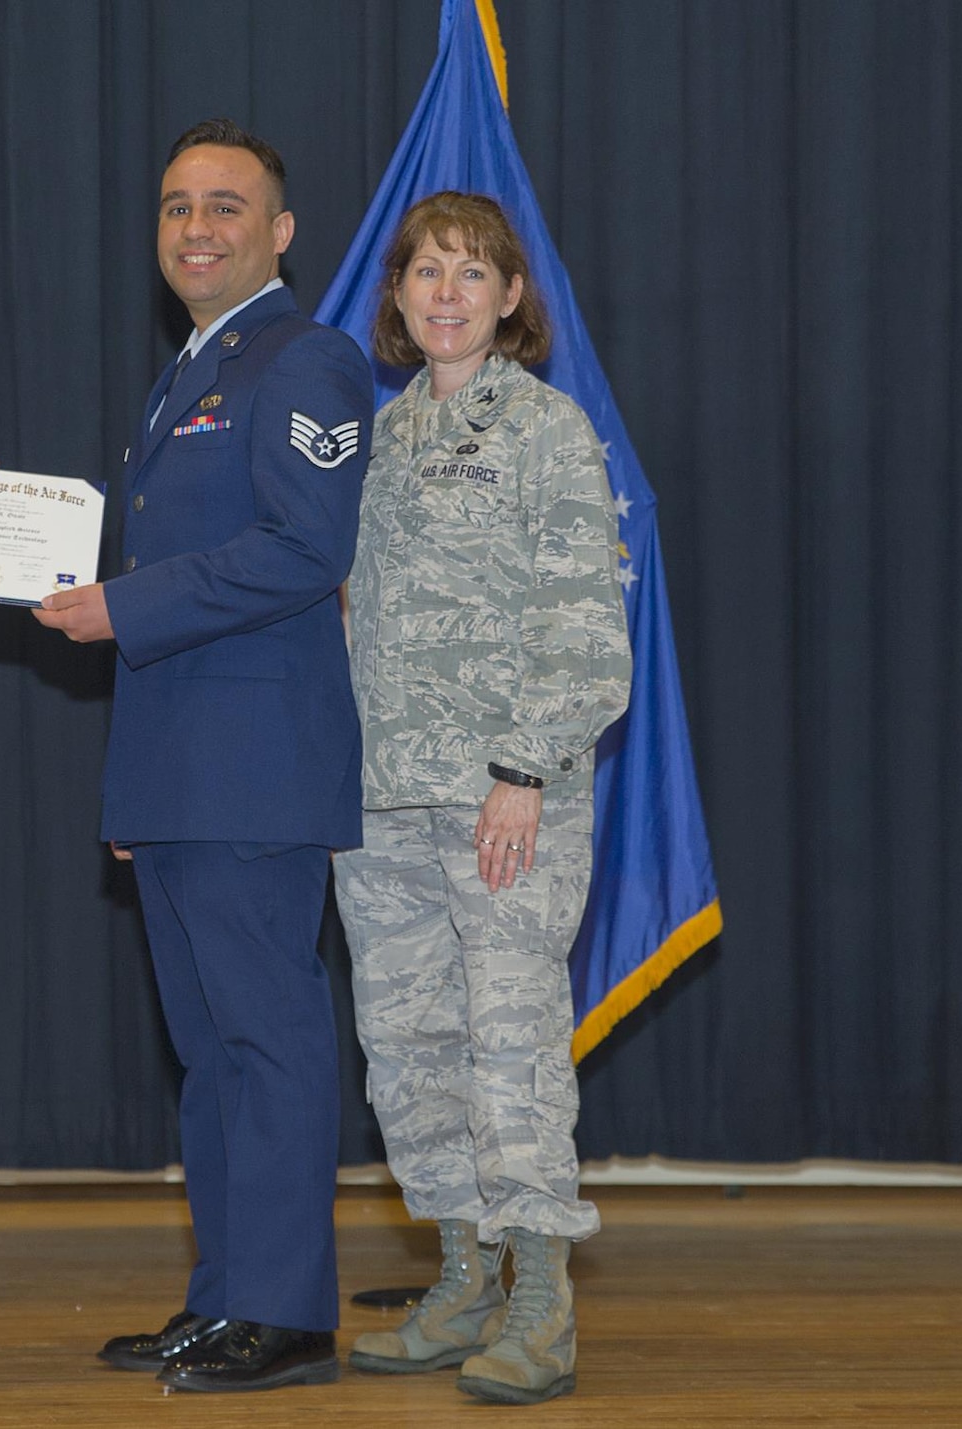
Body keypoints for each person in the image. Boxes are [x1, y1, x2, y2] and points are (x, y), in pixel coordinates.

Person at [36, 118, 371, 1393]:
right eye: (176, 206)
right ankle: (227, 1294)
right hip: (182, 775)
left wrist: (121, 603)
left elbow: (304, 551)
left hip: (256, 772)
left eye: (225, 206)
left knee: (269, 1040)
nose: (195, 227)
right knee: (211, 1052)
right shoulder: (190, 373)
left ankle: (288, 1313)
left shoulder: (307, 359)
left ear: (278, 233)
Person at [331, 191, 632, 1406]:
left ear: (510, 297)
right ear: (395, 297)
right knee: (408, 1048)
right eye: (422, 272)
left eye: (470, 273)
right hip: (381, 800)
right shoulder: (380, 437)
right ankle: (460, 1278)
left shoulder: (545, 429)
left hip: (503, 798)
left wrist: (521, 770)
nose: (443, 292)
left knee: (509, 1047)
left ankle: (541, 1302)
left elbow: (584, 630)